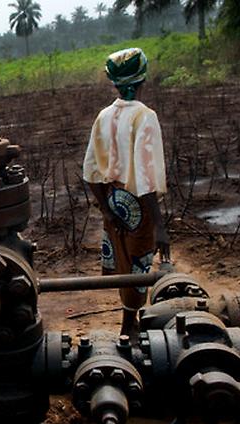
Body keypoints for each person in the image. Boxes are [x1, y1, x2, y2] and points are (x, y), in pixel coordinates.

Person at [82, 47, 170, 337]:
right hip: (138, 205)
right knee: (138, 266)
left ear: (116, 83)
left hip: (113, 200)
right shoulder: (145, 116)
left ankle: (128, 323)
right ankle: (128, 327)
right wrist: (159, 225)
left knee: (124, 261)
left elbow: (90, 170)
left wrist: (107, 210)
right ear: (142, 79)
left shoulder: (104, 116)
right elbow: (146, 178)